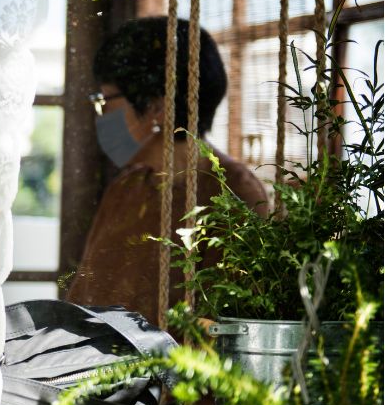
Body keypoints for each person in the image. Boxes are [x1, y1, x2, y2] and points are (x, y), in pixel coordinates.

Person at [68, 17, 269, 323]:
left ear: (156, 108)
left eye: (105, 101)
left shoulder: (233, 194)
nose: (100, 114)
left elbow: (232, 328)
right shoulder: (127, 188)